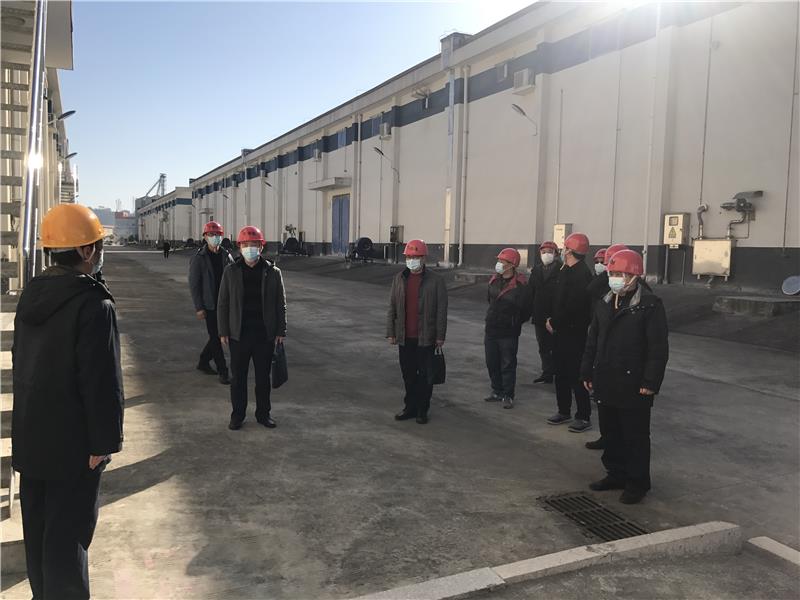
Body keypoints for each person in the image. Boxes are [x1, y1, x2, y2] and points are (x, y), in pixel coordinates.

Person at [12, 204, 124, 599]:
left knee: (40, 535)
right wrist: (103, 443)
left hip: (32, 438)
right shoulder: (93, 304)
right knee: (68, 540)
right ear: (86, 251)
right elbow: (100, 381)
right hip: (74, 447)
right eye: (98, 245)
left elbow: (21, 362)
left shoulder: (31, 295)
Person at [581, 249, 668, 504]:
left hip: (634, 382)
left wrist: (650, 382)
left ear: (634, 276)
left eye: (620, 274)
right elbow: (593, 340)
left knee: (635, 436)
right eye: (612, 273)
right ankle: (616, 474)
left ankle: (637, 483)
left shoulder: (649, 305)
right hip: (606, 378)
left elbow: (658, 348)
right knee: (611, 432)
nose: (615, 279)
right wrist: (587, 370)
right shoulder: (605, 302)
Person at [218, 226, 287, 430]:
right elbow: (223, 303)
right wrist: (223, 330)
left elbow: (280, 304)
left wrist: (281, 330)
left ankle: (263, 414)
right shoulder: (231, 272)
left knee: (263, 379)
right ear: (240, 247)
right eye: (246, 244)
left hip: (264, 335)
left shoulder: (273, 272)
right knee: (238, 379)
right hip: (238, 335)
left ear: (261, 247)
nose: (250, 248)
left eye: (254, 244)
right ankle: (237, 415)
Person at [386, 239, 448, 425]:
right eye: (409, 257)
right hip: (405, 337)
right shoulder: (399, 279)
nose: (411, 260)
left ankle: (422, 409)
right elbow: (392, 307)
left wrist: (440, 335)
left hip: (426, 337)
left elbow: (441, 310)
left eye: (415, 257)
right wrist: (391, 332)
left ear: (423, 258)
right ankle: (410, 407)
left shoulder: (436, 281)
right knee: (409, 375)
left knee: (425, 376)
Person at [546, 232, 593, 433]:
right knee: (561, 373)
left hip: (574, 333)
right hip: (561, 332)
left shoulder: (582, 275)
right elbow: (558, 300)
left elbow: (573, 306)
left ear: (570, 251)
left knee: (576, 375)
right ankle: (563, 410)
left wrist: (554, 322)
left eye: (565, 248)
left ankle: (583, 416)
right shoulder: (566, 270)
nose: (563, 251)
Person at [585, 243, 627, 450]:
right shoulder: (606, 295)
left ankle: (620, 445)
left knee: (622, 411)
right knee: (605, 405)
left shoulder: (643, 299)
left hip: (624, 360)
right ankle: (607, 438)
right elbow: (591, 289)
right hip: (603, 352)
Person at [484, 248, 532, 409]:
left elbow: (527, 309)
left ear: (511, 265)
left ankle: (508, 394)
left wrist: (514, 321)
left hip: (508, 332)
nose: (498, 264)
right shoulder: (493, 280)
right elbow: (490, 300)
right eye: (498, 261)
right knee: (492, 362)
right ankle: (496, 390)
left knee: (508, 363)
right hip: (491, 329)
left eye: (502, 262)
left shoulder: (520, 285)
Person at [189, 221, 234, 385]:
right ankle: (223, 371)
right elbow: (194, 285)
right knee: (216, 338)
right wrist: (199, 307)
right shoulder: (199, 258)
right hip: (209, 305)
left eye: (217, 235)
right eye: (211, 234)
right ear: (205, 237)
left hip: (225, 304)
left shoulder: (226, 256)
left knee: (218, 335)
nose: (215, 237)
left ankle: (203, 360)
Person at [529, 241, 561, 384]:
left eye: (550, 252)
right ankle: (547, 372)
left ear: (556, 254)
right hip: (539, 314)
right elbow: (530, 291)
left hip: (555, 315)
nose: (546, 254)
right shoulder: (536, 270)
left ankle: (558, 372)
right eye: (543, 252)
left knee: (556, 345)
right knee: (543, 346)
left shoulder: (561, 270)